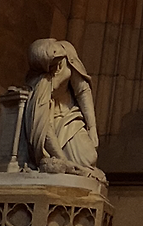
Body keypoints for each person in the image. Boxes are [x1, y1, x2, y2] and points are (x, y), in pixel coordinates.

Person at [20, 40, 104, 181]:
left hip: (70, 114)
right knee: (75, 165)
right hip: (51, 122)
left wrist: (92, 127)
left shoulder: (67, 52)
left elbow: (82, 90)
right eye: (51, 67)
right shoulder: (41, 84)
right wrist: (63, 160)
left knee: (89, 158)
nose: (56, 69)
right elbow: (43, 126)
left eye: (58, 63)